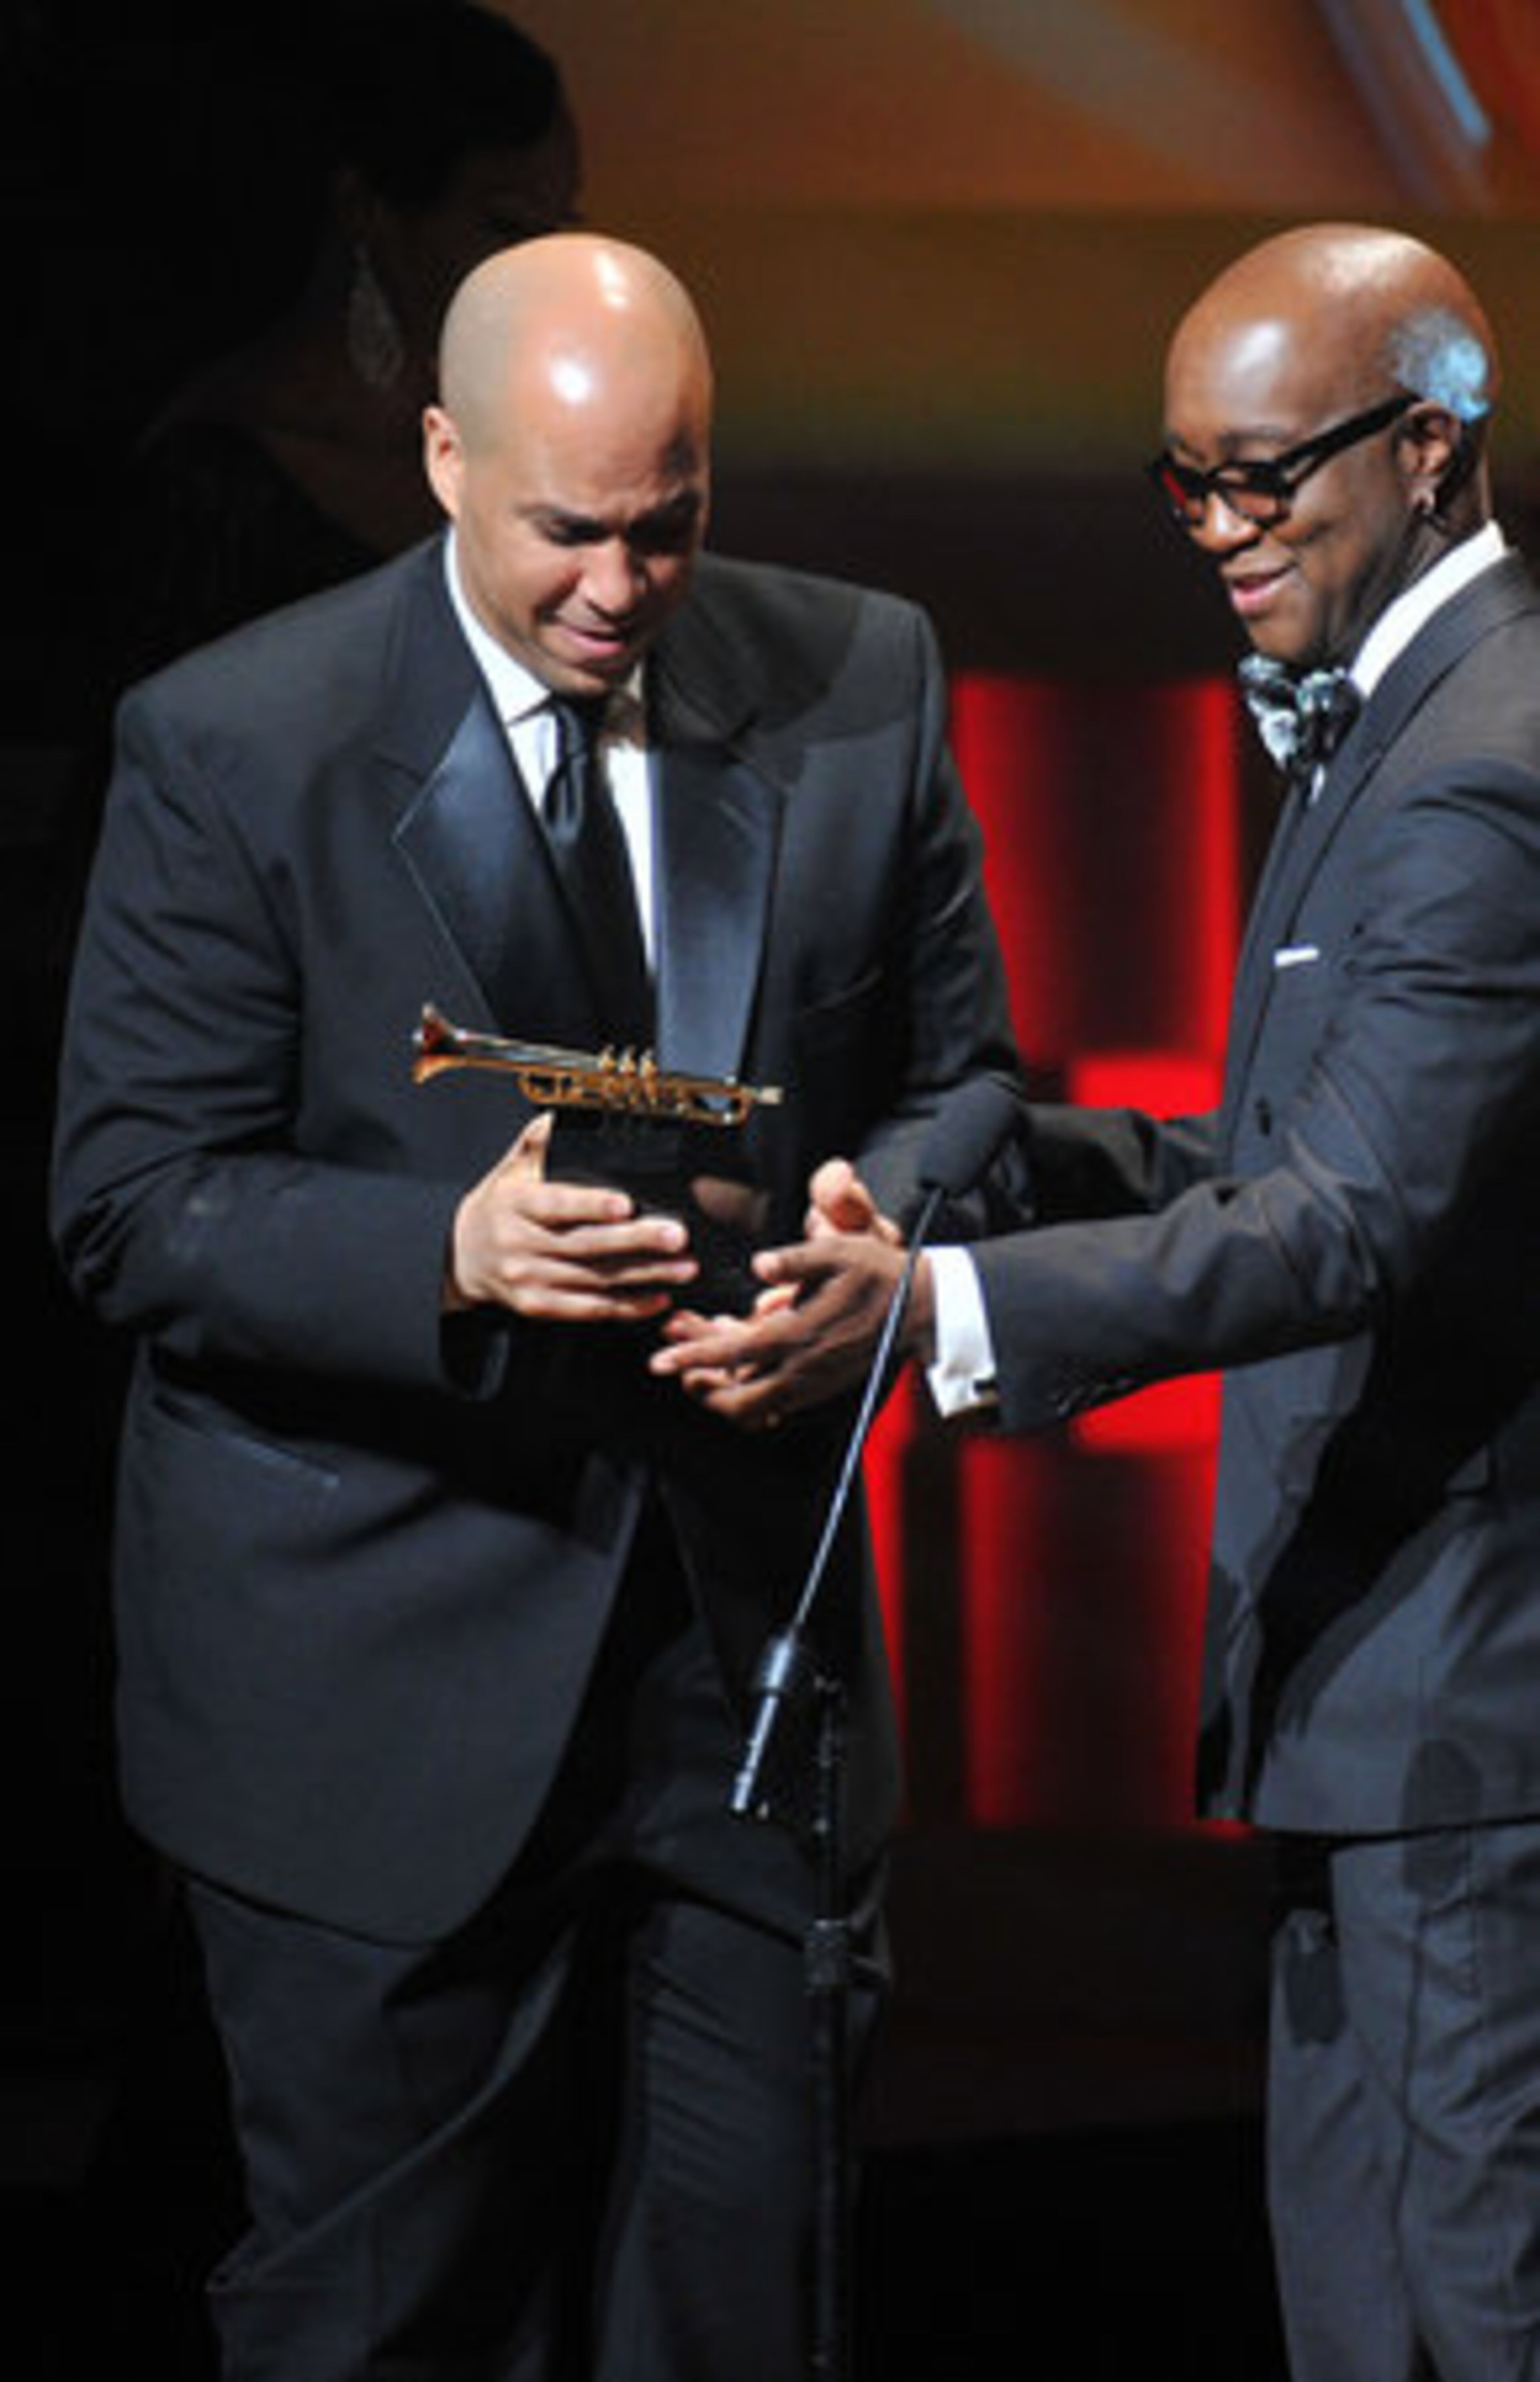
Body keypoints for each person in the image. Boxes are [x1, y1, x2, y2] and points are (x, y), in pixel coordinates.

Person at [50, 231, 1020, 2380]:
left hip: (742, 1673)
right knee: (392, 2327)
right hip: (366, 1680)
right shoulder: (236, 743)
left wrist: (890, 1239)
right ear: (437, 460)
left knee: (757, 2309)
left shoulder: (860, 675)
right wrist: (443, 1254)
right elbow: (127, 1202)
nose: (619, 585)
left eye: (666, 530)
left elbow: (970, 1083)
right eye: (566, 530)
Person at [655, 222, 1540, 2382]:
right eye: (1185, 483)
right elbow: (1266, 1160)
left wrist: (938, 1310)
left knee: (1454, 2324)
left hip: (1467, 1729)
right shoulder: (1402, 721)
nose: (1220, 533)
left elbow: (1337, 1222)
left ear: (1430, 449)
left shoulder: (1489, 762)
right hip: (1378, 1723)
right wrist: (974, 1141)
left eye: (1266, 477)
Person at [109, 1, 583, 685]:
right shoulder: (220, 487)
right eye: (507, 226)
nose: (541, 268)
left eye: (560, 226)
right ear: (372, 210)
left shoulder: (516, 453)